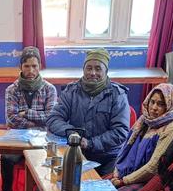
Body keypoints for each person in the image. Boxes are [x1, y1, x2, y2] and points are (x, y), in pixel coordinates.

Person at [0, 46, 58, 191]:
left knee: (44, 162)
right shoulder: (12, 90)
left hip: (42, 140)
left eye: (34, 66)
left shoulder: (49, 89)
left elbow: (50, 118)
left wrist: (26, 113)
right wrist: (37, 120)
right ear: (21, 67)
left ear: (39, 67)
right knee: (6, 159)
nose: (31, 70)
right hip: (18, 138)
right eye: (27, 66)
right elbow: (11, 119)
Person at [45, 48, 130, 176]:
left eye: (98, 68)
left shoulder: (117, 94)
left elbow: (120, 131)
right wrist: (73, 133)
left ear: (106, 71)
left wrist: (90, 143)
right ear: (83, 69)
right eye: (89, 68)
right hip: (76, 152)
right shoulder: (71, 91)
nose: (93, 73)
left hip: (107, 157)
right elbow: (53, 119)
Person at [109, 83, 173, 191]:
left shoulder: (172, 129)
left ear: (170, 105)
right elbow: (125, 149)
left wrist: (124, 181)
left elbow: (152, 168)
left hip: (144, 181)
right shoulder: (145, 120)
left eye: (161, 104)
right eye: (152, 102)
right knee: (93, 187)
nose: (154, 108)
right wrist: (116, 174)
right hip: (124, 174)